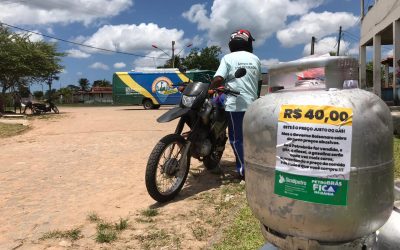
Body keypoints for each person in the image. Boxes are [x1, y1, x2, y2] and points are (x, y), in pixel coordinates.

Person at [210, 29, 262, 179]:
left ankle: (244, 171)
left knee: (236, 139)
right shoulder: (256, 59)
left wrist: (209, 88)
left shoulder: (227, 58)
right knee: (249, 137)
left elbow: (218, 78)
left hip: (235, 104)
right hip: (252, 104)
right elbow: (258, 83)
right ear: (248, 42)